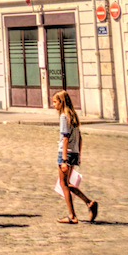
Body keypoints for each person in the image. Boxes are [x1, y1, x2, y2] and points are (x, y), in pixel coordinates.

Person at [53, 89, 97, 225]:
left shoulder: (63, 116)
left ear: (61, 102)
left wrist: (64, 159)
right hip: (74, 152)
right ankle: (89, 203)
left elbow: (65, 138)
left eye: (55, 102)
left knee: (63, 184)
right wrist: (78, 155)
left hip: (65, 153)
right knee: (66, 184)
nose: (54, 105)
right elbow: (80, 137)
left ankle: (72, 215)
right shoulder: (73, 115)